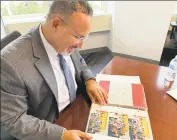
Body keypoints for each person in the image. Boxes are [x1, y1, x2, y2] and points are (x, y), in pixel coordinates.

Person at [1, 1, 108, 140]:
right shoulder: (10, 63)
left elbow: (80, 63)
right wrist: (61, 135)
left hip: (76, 109)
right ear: (56, 23)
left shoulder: (65, 42)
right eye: (77, 37)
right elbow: (14, 120)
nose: (81, 45)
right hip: (49, 127)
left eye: (83, 37)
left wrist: (90, 81)